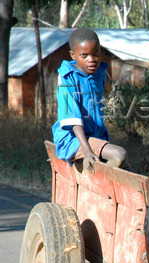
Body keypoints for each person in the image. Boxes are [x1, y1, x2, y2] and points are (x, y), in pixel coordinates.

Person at [52, 28, 127, 174]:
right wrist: (87, 151)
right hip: (73, 140)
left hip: (95, 137)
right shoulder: (67, 79)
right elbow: (73, 119)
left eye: (95, 53)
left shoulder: (99, 74)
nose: (91, 59)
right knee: (119, 155)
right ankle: (103, 185)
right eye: (84, 55)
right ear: (73, 55)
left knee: (131, 172)